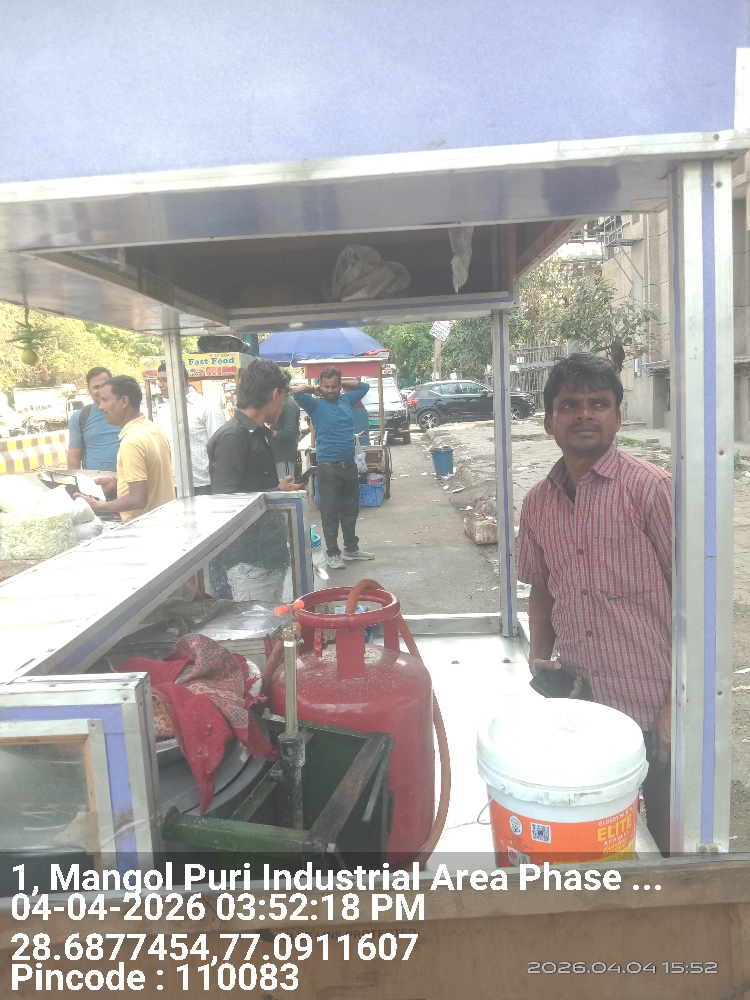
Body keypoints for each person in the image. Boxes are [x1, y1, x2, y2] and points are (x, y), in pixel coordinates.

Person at [516, 353, 672, 855]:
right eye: (570, 405)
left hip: (654, 705)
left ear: (618, 417)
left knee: (670, 842)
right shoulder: (538, 503)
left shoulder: (651, 490)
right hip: (582, 706)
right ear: (548, 422)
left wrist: (678, 705)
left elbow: (697, 601)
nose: (584, 413)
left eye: (598, 403)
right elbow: (542, 588)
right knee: (596, 837)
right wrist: (539, 658)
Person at [207, 359, 302, 600]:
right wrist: (276, 492)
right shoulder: (233, 436)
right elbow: (225, 500)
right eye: (284, 396)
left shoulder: (255, 433)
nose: (283, 404)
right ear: (274, 394)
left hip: (265, 555)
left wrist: (278, 490)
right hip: (248, 560)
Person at [291, 366, 374, 570]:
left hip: (349, 465)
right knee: (330, 512)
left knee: (351, 509)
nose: (330, 390)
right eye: (326, 386)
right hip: (328, 467)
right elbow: (296, 391)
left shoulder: (346, 400)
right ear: (321, 385)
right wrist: (314, 388)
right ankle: (333, 554)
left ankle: (351, 549)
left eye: (334, 386)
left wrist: (341, 381)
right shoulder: (315, 405)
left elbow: (364, 386)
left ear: (339, 386)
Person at [77, 376, 174, 522]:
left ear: (124, 402)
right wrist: (118, 482)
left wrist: (99, 506)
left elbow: (138, 499)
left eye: (105, 400)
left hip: (145, 527)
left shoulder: (131, 442)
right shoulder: (153, 429)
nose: (101, 407)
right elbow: (152, 479)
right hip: (166, 520)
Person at [155, 362, 226, 495]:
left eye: (164, 380)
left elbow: (222, 449)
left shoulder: (207, 407)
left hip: (203, 485)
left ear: (180, 379)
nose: (159, 384)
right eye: (158, 380)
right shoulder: (163, 412)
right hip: (172, 485)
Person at [66, 366, 121, 472]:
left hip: (129, 480)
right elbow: (74, 456)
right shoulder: (79, 418)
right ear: (89, 390)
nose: (100, 391)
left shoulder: (126, 412)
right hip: (95, 481)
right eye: (96, 387)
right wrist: (73, 481)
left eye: (104, 385)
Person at [269, 388, 301, 483]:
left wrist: (271, 432)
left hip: (284, 453)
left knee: (287, 484)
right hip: (279, 453)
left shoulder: (288, 405)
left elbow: (289, 432)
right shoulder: (284, 402)